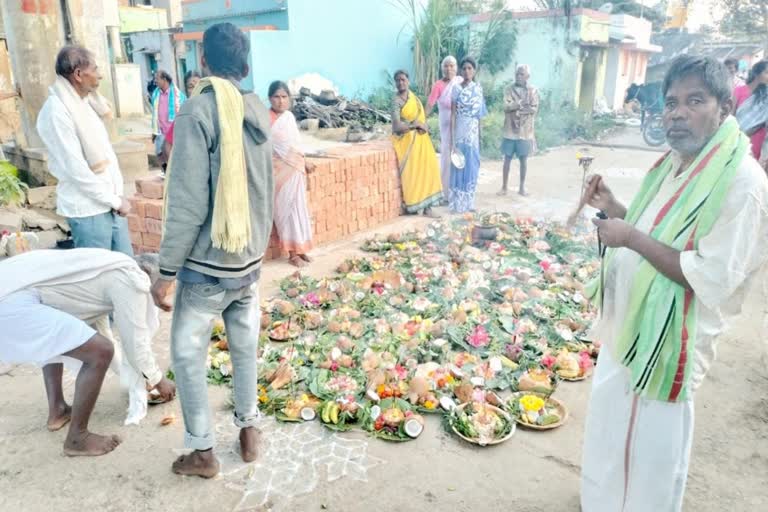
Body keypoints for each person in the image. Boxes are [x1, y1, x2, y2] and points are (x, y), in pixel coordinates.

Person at [580, 56, 768, 512]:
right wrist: (618, 208)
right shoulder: (674, 164)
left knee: (651, 454)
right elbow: (656, 228)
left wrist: (630, 238)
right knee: (610, 433)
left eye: (694, 100)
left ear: (725, 108)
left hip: (670, 341)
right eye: (671, 103)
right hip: (629, 327)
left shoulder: (743, 183)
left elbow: (708, 275)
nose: (677, 112)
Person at [150, 22, 274, 478]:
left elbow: (185, 201)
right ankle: (249, 430)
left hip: (207, 267)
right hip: (248, 262)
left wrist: (165, 271)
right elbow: (266, 189)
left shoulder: (198, 112)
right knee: (244, 346)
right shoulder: (256, 110)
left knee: (186, 353)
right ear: (244, 65)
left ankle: (202, 452)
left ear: (203, 61)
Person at [0, 249, 176, 457]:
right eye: (160, 287)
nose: (159, 294)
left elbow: (99, 329)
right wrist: (157, 379)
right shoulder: (132, 278)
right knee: (100, 351)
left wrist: (131, 380)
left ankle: (58, 410)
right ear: (146, 272)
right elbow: (134, 341)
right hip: (10, 301)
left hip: (12, 288)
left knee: (64, 340)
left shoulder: (107, 269)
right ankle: (77, 438)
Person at [36, 45, 132, 255]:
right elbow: (77, 171)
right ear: (79, 74)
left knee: (126, 274)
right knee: (98, 280)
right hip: (89, 211)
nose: (100, 75)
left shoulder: (85, 103)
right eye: (95, 69)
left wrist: (116, 198)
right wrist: (115, 200)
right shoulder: (57, 112)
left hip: (111, 204)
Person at [268, 80, 315, 267]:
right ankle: (291, 254)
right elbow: (273, 146)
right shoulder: (266, 119)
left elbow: (295, 146)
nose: (280, 101)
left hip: (295, 170)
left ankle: (301, 249)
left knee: (298, 209)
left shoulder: (288, 118)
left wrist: (303, 161)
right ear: (270, 98)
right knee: (285, 212)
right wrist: (302, 161)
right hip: (278, 172)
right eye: (276, 97)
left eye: (284, 97)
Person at [391, 70, 442, 216]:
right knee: (413, 173)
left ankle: (428, 207)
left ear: (408, 81)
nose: (401, 82)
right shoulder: (396, 101)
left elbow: (421, 119)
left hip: (420, 140)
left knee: (428, 168)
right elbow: (396, 126)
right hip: (405, 142)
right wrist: (415, 125)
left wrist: (423, 126)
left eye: (403, 79)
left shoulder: (413, 98)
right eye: (398, 80)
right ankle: (413, 205)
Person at [449, 57, 487, 213]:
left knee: (472, 166)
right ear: (460, 71)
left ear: (474, 71)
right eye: (464, 68)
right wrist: (452, 139)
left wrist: (480, 135)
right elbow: (453, 115)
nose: (467, 71)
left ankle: (469, 203)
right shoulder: (456, 89)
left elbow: (479, 115)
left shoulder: (478, 89)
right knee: (459, 164)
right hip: (460, 131)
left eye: (470, 68)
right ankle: (457, 204)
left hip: (473, 132)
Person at [499, 64, 539, 197]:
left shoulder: (532, 91)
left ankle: (522, 187)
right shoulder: (508, 89)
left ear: (528, 76)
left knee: (523, 159)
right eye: (517, 74)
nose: (518, 76)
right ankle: (504, 187)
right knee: (507, 158)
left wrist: (517, 108)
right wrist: (520, 105)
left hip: (525, 131)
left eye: (521, 74)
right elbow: (506, 106)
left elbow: (534, 109)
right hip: (510, 130)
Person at [427, 56, 463, 195]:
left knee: (460, 155)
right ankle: (446, 193)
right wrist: (422, 121)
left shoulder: (460, 82)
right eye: (446, 66)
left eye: (452, 66)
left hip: (460, 124)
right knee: (447, 156)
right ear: (442, 68)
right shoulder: (438, 85)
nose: (449, 69)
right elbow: (430, 104)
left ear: (456, 68)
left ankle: (459, 190)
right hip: (446, 124)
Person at [734, 60, 768, 165]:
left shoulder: (765, 96)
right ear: (757, 73)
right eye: (767, 73)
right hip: (733, 137)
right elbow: (730, 116)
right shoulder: (740, 91)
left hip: (754, 142)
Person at [151, 70, 186, 171]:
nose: (155, 81)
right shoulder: (156, 94)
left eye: (157, 78)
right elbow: (154, 114)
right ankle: (166, 171)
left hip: (173, 132)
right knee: (159, 152)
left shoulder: (178, 95)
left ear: (164, 79)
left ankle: (173, 172)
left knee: (172, 154)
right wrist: (153, 131)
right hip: (160, 131)